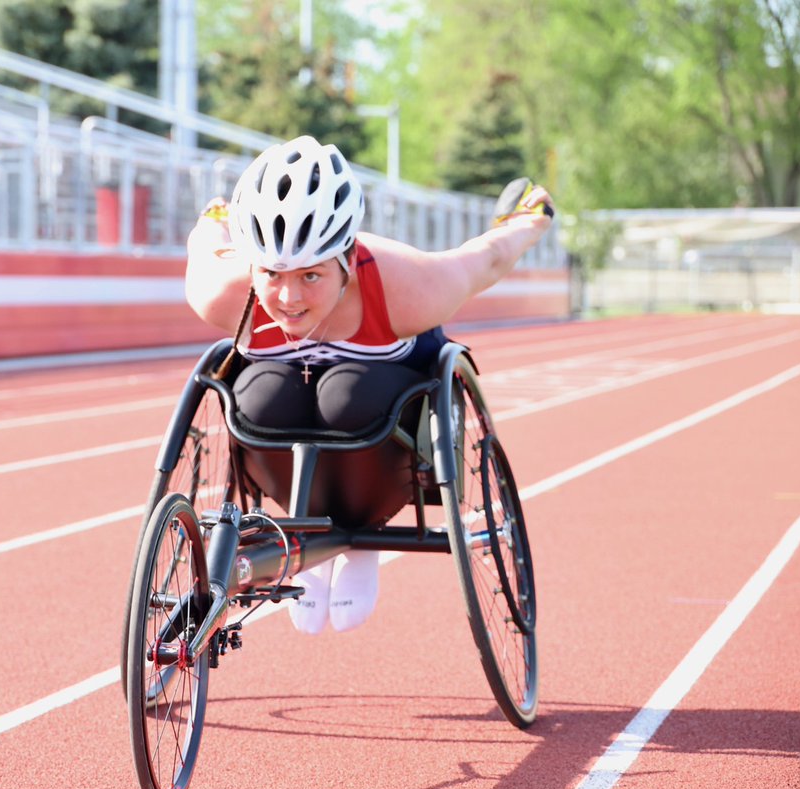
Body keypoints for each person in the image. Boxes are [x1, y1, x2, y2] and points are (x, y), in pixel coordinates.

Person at [184, 134, 555, 635]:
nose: (289, 296)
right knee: (259, 400)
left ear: (346, 260)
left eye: (311, 276)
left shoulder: (410, 286)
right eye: (272, 273)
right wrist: (217, 218)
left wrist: (527, 223)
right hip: (284, 452)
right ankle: (305, 545)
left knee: (346, 396)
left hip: (380, 434)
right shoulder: (223, 293)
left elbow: (487, 258)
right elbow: (206, 244)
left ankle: (365, 538)